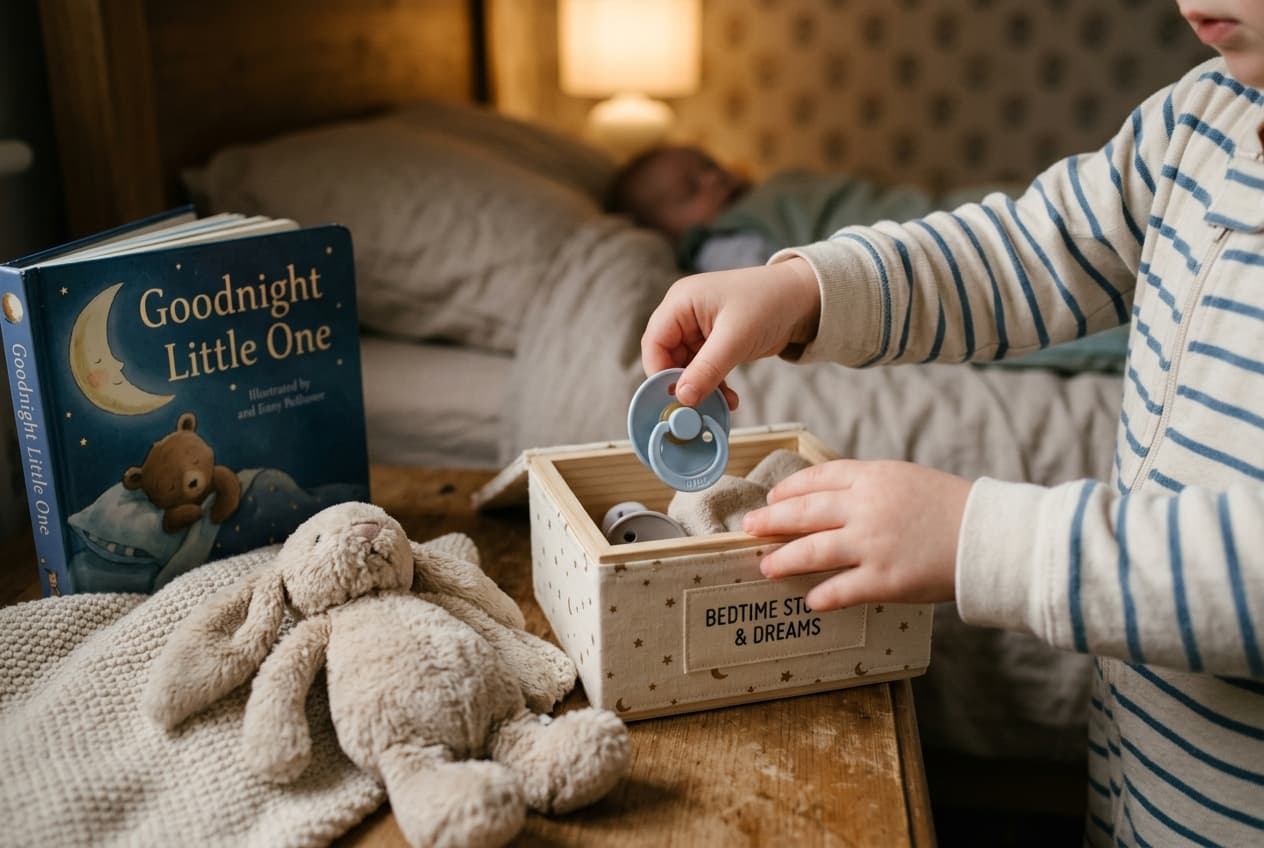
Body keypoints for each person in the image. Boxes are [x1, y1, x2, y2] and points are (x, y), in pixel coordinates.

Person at [639, 2, 1264, 844]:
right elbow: (1025, 251)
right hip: (1145, 785)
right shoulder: (1203, 114)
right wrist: (807, 290)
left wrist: (979, 537)